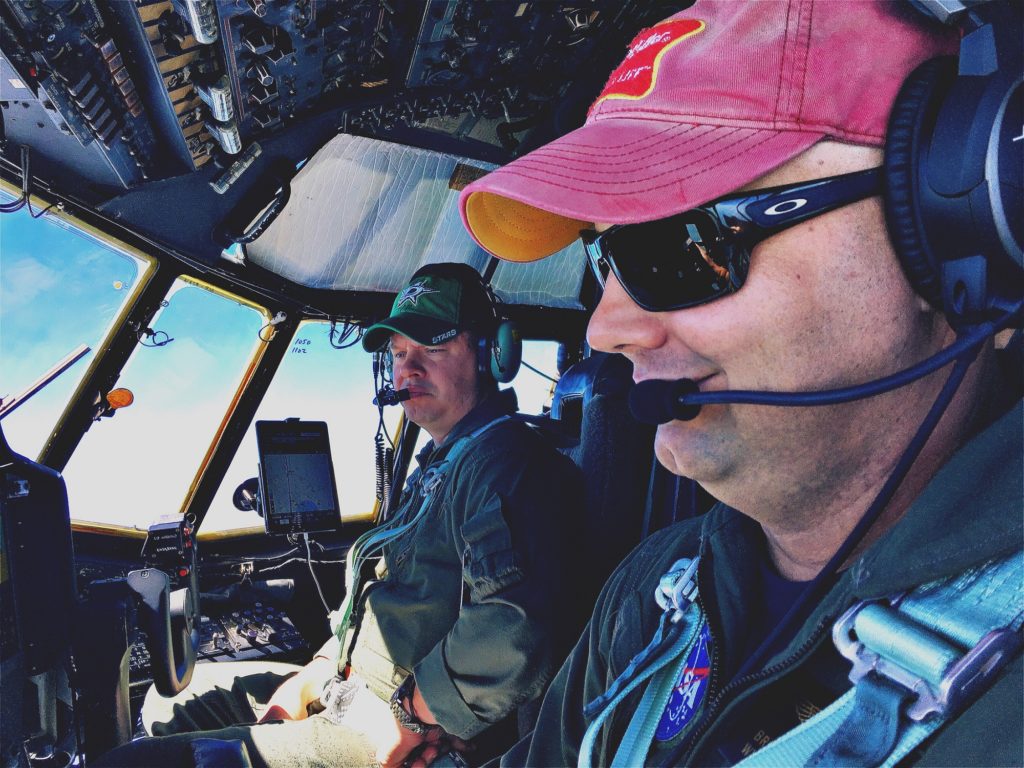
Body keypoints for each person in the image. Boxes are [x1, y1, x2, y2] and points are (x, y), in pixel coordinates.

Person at [458, 1, 1023, 765]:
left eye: (679, 243)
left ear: (957, 230)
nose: (606, 329)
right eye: (605, 260)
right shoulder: (655, 592)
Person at [97, 263, 584, 768]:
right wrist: (314, 673)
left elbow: (515, 627)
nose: (408, 370)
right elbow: (383, 601)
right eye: (398, 354)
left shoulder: (510, 465)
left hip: (397, 725)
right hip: (352, 687)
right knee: (171, 702)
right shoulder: (443, 464)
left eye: (432, 349)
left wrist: (416, 713)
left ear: (491, 354)